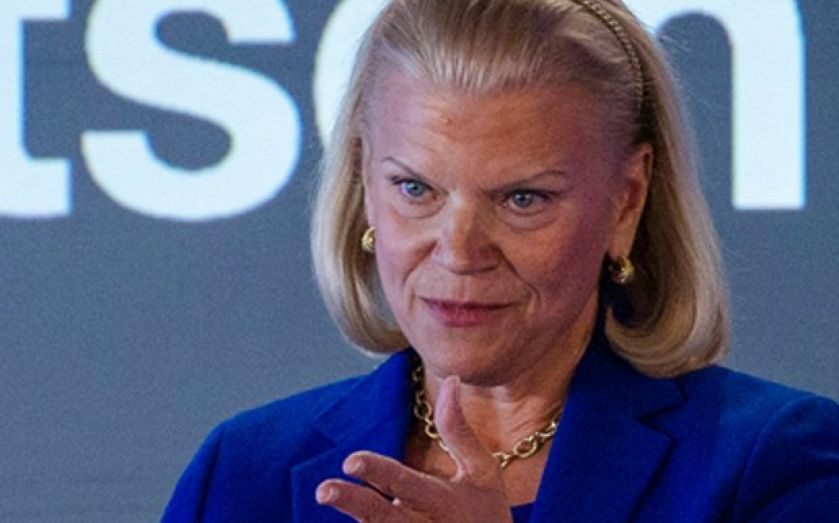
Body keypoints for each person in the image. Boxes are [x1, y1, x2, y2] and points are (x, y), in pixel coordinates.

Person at [162, 0, 839, 521]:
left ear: (626, 200)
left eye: (522, 198)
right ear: (364, 183)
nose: (459, 251)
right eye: (415, 189)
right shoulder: (243, 471)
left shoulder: (774, 462)